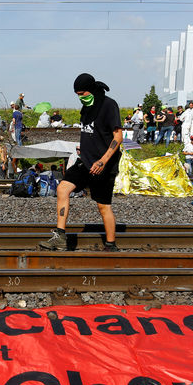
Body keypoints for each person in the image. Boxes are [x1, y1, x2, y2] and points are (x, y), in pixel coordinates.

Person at [39, 73, 123, 252]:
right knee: (62, 188)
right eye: (77, 94)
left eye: (83, 93)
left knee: (103, 206)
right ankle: (60, 237)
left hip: (104, 165)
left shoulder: (109, 105)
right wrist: (84, 147)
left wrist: (102, 161)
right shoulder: (86, 108)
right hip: (85, 161)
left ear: (91, 90)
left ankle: (111, 244)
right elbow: (90, 132)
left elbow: (118, 136)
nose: (80, 97)